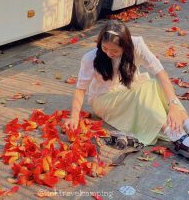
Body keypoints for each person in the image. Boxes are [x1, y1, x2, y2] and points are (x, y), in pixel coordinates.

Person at [66, 20, 189, 157]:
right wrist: (74, 117)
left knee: (155, 85)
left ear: (126, 46)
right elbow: (80, 89)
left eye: (114, 51)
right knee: (145, 90)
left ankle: (185, 123)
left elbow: (160, 72)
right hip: (104, 99)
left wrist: (173, 105)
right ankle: (177, 136)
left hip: (131, 89)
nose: (108, 54)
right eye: (104, 48)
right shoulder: (91, 58)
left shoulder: (137, 45)